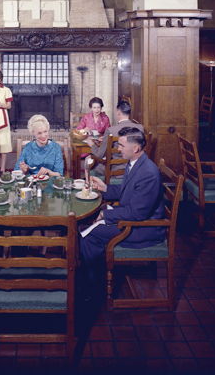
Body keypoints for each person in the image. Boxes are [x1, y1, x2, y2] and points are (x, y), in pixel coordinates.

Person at [79, 127, 165, 289]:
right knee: (85, 225)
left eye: (121, 146)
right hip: (133, 218)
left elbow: (137, 213)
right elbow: (129, 192)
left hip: (144, 228)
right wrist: (106, 188)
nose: (118, 150)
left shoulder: (148, 173)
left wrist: (104, 214)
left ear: (135, 148)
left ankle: (92, 287)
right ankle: (89, 275)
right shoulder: (135, 163)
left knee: (90, 235)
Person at [85, 100, 143, 177]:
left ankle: (88, 187)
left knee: (88, 163)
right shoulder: (140, 127)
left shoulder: (111, 130)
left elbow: (99, 155)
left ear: (118, 112)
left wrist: (92, 145)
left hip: (115, 170)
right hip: (135, 169)